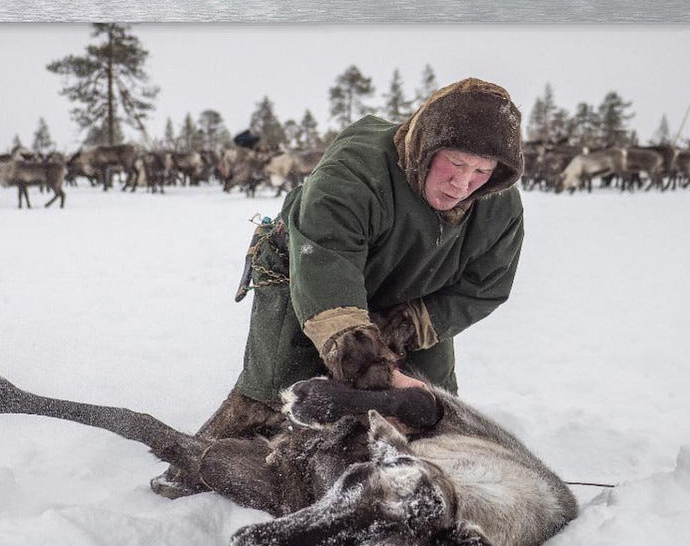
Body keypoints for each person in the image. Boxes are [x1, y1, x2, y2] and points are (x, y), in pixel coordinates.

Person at [152, 77, 525, 497]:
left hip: (410, 298)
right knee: (276, 388)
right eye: (455, 163)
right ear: (426, 146)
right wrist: (371, 369)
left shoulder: (499, 207)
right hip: (308, 270)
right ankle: (190, 468)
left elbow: (485, 285)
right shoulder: (354, 173)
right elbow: (326, 261)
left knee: (431, 405)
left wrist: (407, 325)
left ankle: (425, 485)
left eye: (481, 171)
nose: (463, 183)